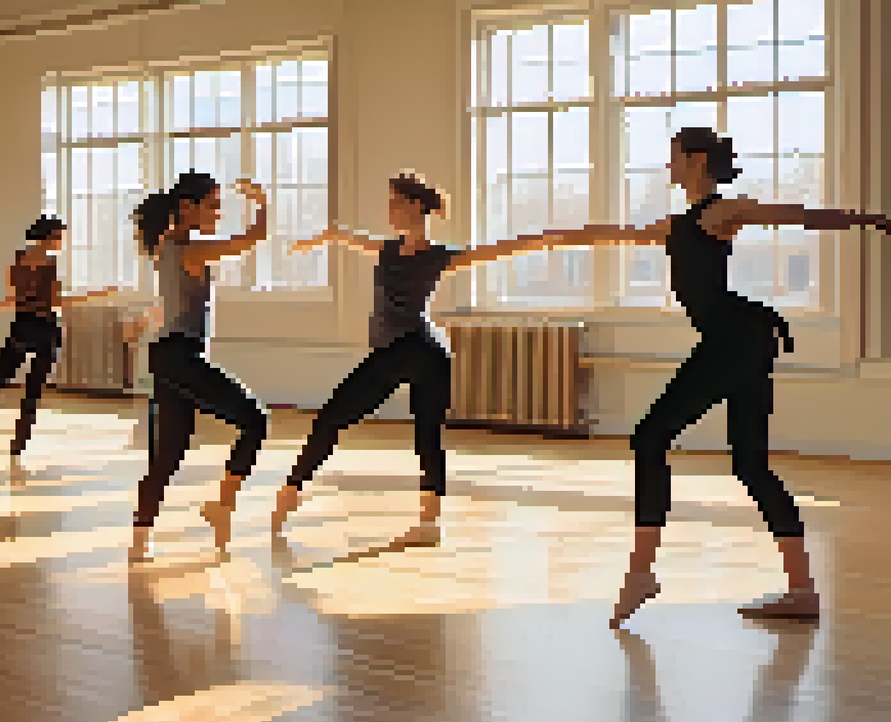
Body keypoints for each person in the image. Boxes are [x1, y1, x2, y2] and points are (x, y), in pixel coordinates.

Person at [534, 127, 891, 627]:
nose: (669, 166)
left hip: (735, 340)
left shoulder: (722, 212)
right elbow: (616, 233)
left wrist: (868, 220)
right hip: (741, 341)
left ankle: (641, 573)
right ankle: (802, 589)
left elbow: (798, 216)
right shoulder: (676, 224)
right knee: (749, 463)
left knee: (650, 436)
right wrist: (556, 238)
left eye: (674, 157)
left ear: (696, 160)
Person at [272, 172, 577, 548]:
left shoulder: (437, 255)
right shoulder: (386, 249)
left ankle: (423, 520)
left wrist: (541, 241)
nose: (389, 209)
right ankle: (292, 491)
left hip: (418, 352)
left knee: (419, 435)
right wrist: (326, 236)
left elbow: (493, 251)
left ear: (415, 206)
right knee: (340, 419)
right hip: (408, 351)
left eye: (395, 202)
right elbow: (347, 237)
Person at [129, 172, 269, 563]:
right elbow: (252, 239)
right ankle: (221, 506)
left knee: (169, 453)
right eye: (212, 203)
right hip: (179, 355)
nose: (218, 210)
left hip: (172, 355)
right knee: (255, 421)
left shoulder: (170, 245)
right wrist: (260, 203)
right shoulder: (187, 249)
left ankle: (140, 537)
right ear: (187, 207)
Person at [0, 215, 118, 469]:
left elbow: (12, 301)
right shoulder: (50, 264)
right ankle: (16, 449)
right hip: (45, 330)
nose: (61, 242)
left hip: (23, 327)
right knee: (31, 392)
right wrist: (97, 295)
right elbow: (56, 302)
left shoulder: (18, 260)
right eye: (59, 237)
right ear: (48, 237)